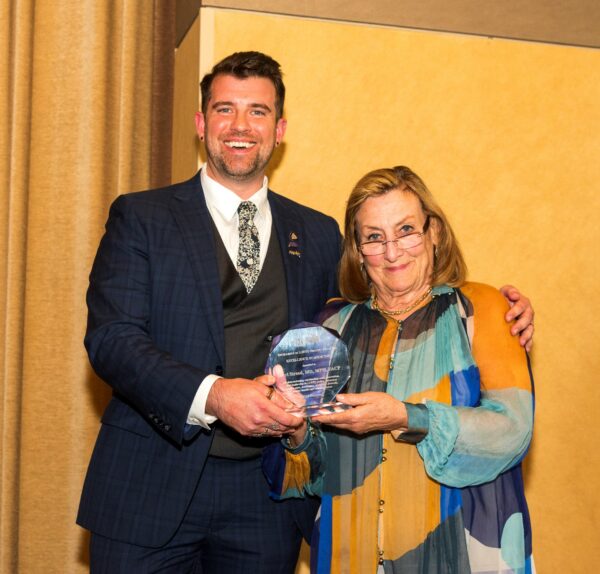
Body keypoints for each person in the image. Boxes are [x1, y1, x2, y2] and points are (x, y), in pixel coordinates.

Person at [77, 51, 533, 573]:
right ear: (202, 123)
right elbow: (112, 339)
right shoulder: (142, 217)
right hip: (149, 487)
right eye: (225, 109)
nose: (241, 126)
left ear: (280, 128)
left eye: (259, 111)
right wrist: (216, 395)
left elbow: (380, 302)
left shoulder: (316, 234)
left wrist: (501, 309)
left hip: (269, 500)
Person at [264, 166, 535, 573]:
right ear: (357, 250)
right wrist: (296, 432)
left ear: (434, 232)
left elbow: (513, 430)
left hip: (466, 555)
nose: (392, 252)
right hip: (349, 557)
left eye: (406, 229)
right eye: (374, 237)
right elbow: (309, 479)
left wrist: (407, 417)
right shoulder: (332, 328)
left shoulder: (483, 310)